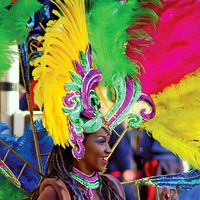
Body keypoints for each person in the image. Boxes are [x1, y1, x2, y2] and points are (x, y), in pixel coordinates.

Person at [31, 127, 126, 200]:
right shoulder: (55, 191)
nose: (109, 150)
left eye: (108, 142)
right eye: (101, 141)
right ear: (78, 146)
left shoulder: (113, 186)